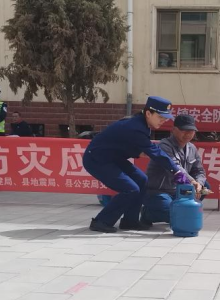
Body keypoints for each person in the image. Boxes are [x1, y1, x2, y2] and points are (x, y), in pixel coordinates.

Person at [83, 96, 183, 233]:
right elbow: (156, 152)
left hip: (114, 158)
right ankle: (101, 221)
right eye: (160, 117)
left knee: (142, 180)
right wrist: (176, 170)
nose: (164, 120)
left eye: (165, 118)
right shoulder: (136, 127)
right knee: (130, 189)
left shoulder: (142, 124)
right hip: (97, 159)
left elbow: (126, 143)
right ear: (148, 113)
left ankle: (130, 221)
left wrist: (139, 152)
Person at [141, 113, 208, 225]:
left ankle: (183, 209)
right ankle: (147, 213)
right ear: (173, 130)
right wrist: (192, 181)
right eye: (184, 130)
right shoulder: (164, 146)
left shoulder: (192, 148)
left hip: (180, 191)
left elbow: (199, 171)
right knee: (175, 214)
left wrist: (199, 183)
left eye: (191, 131)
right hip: (159, 192)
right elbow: (175, 167)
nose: (188, 134)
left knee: (205, 188)